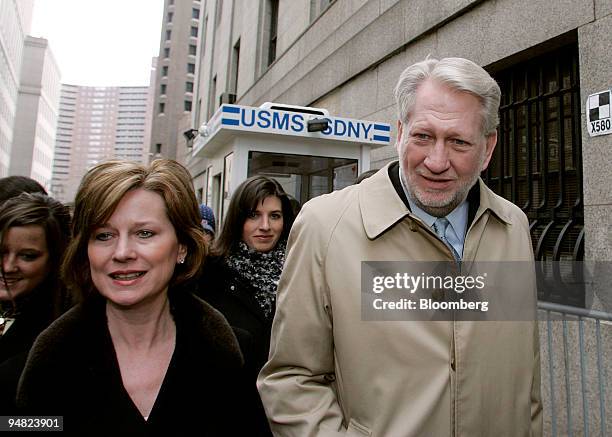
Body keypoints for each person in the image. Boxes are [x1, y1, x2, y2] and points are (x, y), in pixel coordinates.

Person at [257, 57, 542, 436]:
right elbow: (292, 380)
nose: (437, 162)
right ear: (400, 132)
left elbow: (525, 376)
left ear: (488, 149)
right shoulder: (324, 226)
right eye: (423, 136)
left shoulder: (513, 226)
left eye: (458, 141)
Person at [17, 160, 249, 435]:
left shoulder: (221, 347)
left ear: (182, 247)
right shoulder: (52, 357)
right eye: (103, 235)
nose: (122, 252)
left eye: (144, 233)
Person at [198, 175, 295, 436]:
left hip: (287, 418)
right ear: (238, 219)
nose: (265, 226)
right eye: (254, 215)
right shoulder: (208, 275)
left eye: (275, 216)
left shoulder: (299, 273)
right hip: (227, 419)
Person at [0, 193, 71, 412]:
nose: (9, 266)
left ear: (55, 259)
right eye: (1, 252)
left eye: (28, 256)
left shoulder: (67, 333)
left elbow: (56, 425)